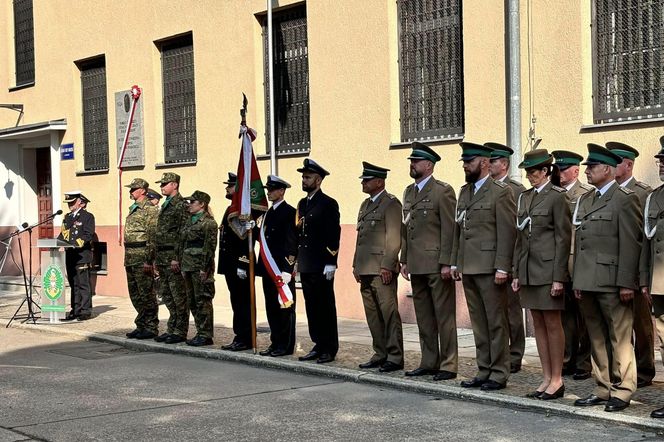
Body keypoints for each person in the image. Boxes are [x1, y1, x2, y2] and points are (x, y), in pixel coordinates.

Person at [572, 143, 641, 412]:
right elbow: (580, 243)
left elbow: (630, 243)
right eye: (587, 167)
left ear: (608, 170)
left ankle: (623, 389)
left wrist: (626, 282)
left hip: (612, 280)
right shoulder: (586, 199)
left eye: (592, 167)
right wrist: (578, 280)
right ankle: (602, 386)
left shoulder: (624, 199)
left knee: (619, 337)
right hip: (588, 280)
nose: (587, 171)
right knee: (596, 336)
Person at [452, 142, 516, 391]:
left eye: (470, 161)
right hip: (469, 266)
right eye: (465, 162)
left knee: (496, 322)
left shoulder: (500, 192)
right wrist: (457, 261)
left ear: (485, 163)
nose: (466, 166)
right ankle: (484, 369)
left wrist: (503, 267)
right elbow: (460, 230)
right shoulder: (464, 192)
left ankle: (499, 373)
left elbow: (507, 232)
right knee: (479, 323)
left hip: (490, 268)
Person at [511, 149, 571, 400]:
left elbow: (563, 238)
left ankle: (557, 379)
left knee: (553, 324)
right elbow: (520, 238)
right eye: (527, 172)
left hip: (548, 271)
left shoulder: (557, 197)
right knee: (538, 324)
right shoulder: (525, 198)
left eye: (534, 171)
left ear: (546, 171)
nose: (529, 176)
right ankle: (546, 377)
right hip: (528, 270)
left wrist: (559, 277)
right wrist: (516, 271)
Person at [400, 144, 457, 380]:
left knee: (444, 317)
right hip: (416, 264)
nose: (412, 164)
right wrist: (404, 259)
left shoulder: (442, 191)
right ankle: (428, 360)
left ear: (429, 165)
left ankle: (449, 364)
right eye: (411, 161)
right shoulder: (409, 192)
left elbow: (449, 228)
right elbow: (406, 228)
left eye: (416, 161)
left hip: (436, 263)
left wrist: (447, 262)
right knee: (423, 316)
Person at [606, 141, 654, 389]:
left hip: (636, 271)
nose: (610, 166)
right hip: (612, 270)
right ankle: (623, 371)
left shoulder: (643, 193)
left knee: (641, 324)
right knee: (618, 328)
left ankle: (645, 370)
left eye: (615, 162)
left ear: (628, 164)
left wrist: (640, 276)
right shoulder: (608, 193)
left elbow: (642, 238)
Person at [354, 162, 404, 373]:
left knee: (388, 312)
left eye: (367, 180)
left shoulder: (390, 204)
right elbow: (361, 238)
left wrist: (387, 265)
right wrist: (356, 264)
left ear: (379, 181)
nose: (363, 183)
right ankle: (380, 352)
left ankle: (394, 356)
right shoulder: (365, 205)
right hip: (366, 268)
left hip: (381, 269)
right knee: (373, 314)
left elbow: (394, 238)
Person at [552, 149, 594, 381]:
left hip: (578, 261)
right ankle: (567, 359)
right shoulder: (554, 194)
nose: (559, 172)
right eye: (557, 169)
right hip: (560, 261)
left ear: (576, 170)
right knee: (565, 316)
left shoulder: (585, 194)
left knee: (584, 316)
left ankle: (584, 362)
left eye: (564, 168)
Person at [486, 142, 527, 373]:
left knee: (512, 313)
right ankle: (498, 353)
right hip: (487, 261)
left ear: (504, 164)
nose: (489, 165)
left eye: (493, 161)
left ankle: (515, 354)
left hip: (509, 261)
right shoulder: (484, 189)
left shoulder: (516, 190)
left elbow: (516, 230)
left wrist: (512, 264)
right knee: (494, 313)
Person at [296, 159, 341, 364]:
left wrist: (331, 260)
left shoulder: (328, 203)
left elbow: (333, 233)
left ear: (318, 180)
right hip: (306, 264)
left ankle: (329, 347)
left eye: (308, 177)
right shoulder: (302, 204)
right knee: (311, 306)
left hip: (322, 265)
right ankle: (318, 343)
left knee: (325, 307)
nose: (304, 180)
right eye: (303, 177)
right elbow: (299, 233)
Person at [256, 175, 298, 357]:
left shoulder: (290, 212)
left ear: (281, 191)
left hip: (281, 269)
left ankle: (285, 345)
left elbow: (292, 242)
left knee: (285, 308)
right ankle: (275, 342)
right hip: (268, 268)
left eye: (272, 189)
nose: (269, 193)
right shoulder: (267, 214)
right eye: (268, 190)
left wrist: (288, 268)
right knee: (272, 307)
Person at [218, 173, 253, 351]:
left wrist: (243, 263)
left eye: (230, 186)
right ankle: (240, 336)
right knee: (236, 302)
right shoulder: (231, 208)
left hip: (239, 265)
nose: (227, 188)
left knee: (242, 303)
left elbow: (246, 240)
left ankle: (245, 338)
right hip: (230, 265)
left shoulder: (243, 210)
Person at [153, 172, 189, 345]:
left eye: (165, 184)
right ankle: (171, 328)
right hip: (161, 256)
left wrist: (177, 257)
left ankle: (180, 331)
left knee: (178, 296)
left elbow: (182, 233)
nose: (162, 186)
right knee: (167, 295)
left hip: (172, 257)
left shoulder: (181, 205)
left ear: (175, 185)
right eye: (161, 184)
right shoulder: (166, 204)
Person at [642, 138, 664, 418]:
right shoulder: (654, 197)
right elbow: (647, 243)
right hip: (660, 281)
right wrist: (644, 280)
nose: (661, 163)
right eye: (660, 160)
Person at [124, 178, 159, 340]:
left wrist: (149, 260)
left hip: (142, 256)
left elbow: (152, 236)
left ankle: (151, 326)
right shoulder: (134, 208)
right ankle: (142, 324)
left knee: (147, 293)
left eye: (134, 189)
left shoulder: (149, 209)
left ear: (143, 190)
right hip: (130, 256)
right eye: (130, 189)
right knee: (135, 294)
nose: (131, 192)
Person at [181, 191, 218, 346]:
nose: (189, 204)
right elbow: (183, 243)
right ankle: (199, 331)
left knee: (203, 300)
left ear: (202, 204)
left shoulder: (209, 223)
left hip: (200, 267)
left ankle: (206, 334)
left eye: (193, 201)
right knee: (193, 301)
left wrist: (204, 268)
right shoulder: (189, 221)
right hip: (188, 265)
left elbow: (209, 247)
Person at [58, 191, 95, 321]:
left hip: (82, 255)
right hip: (70, 255)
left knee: (83, 284)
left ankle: (85, 311)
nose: (70, 205)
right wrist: (56, 243)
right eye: (68, 203)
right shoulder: (67, 217)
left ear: (80, 202)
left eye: (72, 202)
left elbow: (88, 234)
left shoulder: (87, 216)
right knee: (73, 284)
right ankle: (75, 310)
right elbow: (62, 235)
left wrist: (75, 243)